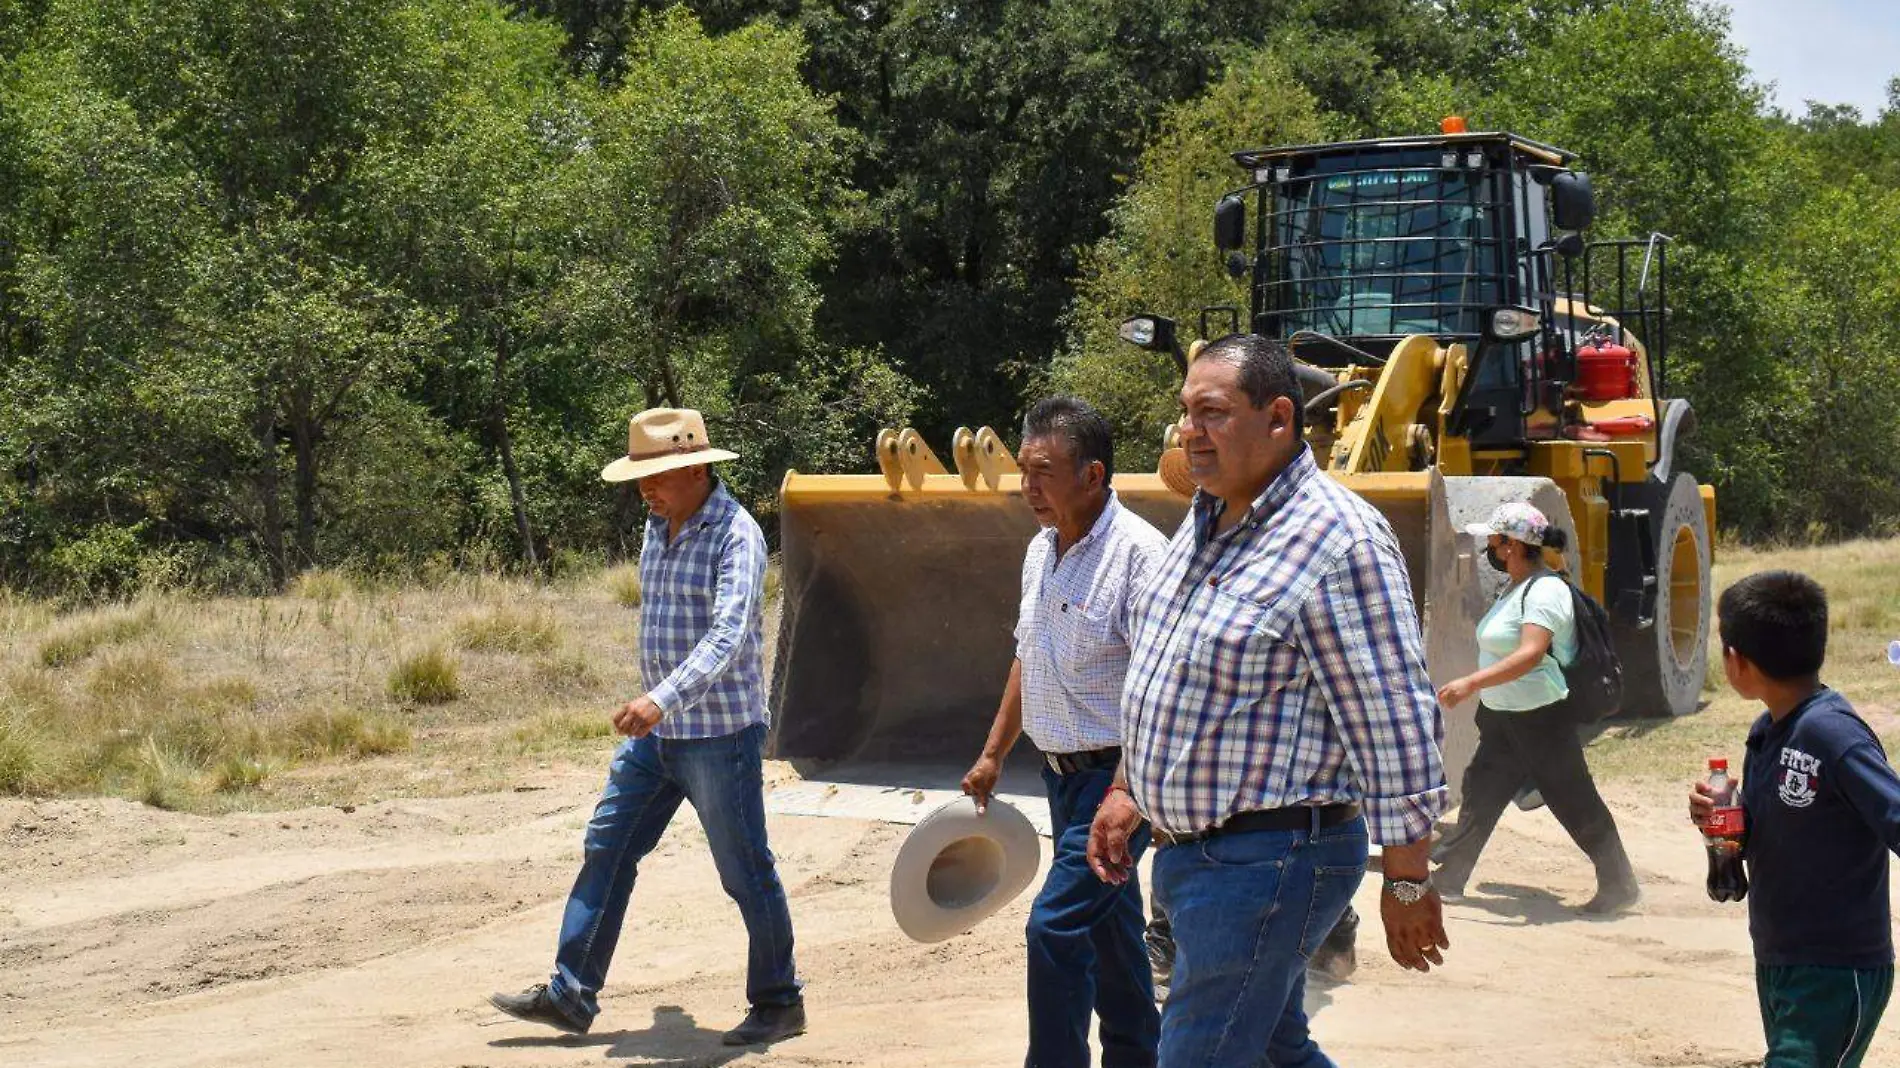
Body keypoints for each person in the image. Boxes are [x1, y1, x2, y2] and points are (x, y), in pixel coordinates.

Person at [1087, 334, 1449, 1067]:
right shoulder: (1206, 522)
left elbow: (1394, 722)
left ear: (1279, 418)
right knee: (1279, 1048)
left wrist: (1407, 882)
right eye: (1186, 412)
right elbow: (1171, 673)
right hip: (1200, 862)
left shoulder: (1337, 540)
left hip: (1271, 862)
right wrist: (1129, 784)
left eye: (1211, 413)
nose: (1189, 431)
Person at [489, 407, 805, 1047]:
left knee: (744, 869)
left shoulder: (736, 535)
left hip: (719, 735)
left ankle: (779, 1001)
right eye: (641, 477)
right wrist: (657, 710)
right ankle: (570, 993)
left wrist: (661, 698)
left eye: (656, 475)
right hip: (658, 738)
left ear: (694, 468)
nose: (645, 489)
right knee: (608, 845)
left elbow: (729, 633)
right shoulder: (655, 527)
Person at [961, 396, 1167, 1068]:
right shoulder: (1039, 552)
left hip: (1114, 782)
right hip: (1059, 778)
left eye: (1043, 473)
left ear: (1093, 475)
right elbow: (1031, 653)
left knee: (1054, 929)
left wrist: (1131, 789)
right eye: (1024, 471)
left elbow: (1163, 686)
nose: (1029, 488)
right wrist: (994, 753)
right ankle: (1139, 1056)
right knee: (1111, 935)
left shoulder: (1139, 556)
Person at [1689, 570, 1900, 1068]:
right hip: (1780, 955)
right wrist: (1723, 825)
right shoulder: (1767, 732)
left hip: (1835, 966)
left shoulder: (1832, 734)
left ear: (1737, 661)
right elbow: (1770, 841)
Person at [1430, 502, 1640, 915]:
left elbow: (1530, 653)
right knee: (1482, 791)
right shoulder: (1514, 587)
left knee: (1574, 799)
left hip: (1541, 716)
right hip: (1503, 715)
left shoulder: (1545, 592)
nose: (1488, 545)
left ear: (1511, 545)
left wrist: (1471, 682)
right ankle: (1451, 877)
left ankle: (1620, 884)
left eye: (1494, 539)